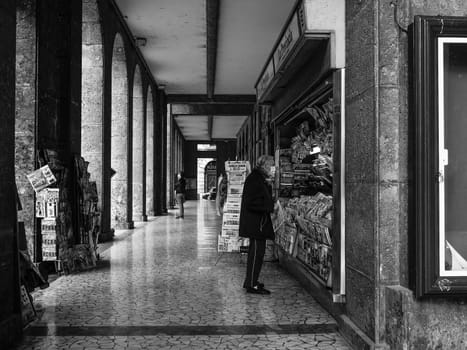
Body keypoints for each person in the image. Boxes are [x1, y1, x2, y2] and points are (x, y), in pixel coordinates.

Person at [239, 155, 276, 295]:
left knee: (257, 253)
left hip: (258, 223)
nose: (272, 168)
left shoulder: (259, 177)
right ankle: (251, 285)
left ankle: (251, 281)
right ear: (264, 165)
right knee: (256, 254)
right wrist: (270, 207)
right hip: (256, 224)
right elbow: (252, 202)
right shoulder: (255, 178)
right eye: (271, 165)